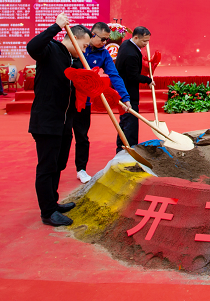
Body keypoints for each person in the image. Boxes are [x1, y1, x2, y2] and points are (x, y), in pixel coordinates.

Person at [27, 13, 91, 226]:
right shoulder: (50, 50)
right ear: (74, 38)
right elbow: (32, 47)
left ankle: (53, 202)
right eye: (83, 45)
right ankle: (47, 212)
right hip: (46, 122)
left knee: (59, 164)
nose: (85, 50)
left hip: (65, 123)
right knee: (47, 167)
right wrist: (56, 26)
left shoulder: (73, 60)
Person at [74, 22, 132, 183]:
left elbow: (114, 75)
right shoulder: (76, 48)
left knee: (82, 137)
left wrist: (125, 98)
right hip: (66, 100)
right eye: (103, 39)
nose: (105, 42)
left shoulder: (103, 53)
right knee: (62, 137)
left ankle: (81, 169)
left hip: (84, 102)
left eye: (107, 39)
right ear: (93, 34)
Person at [114, 26, 152, 151]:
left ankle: (121, 148)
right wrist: (148, 80)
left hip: (123, 89)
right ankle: (129, 151)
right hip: (128, 92)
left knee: (124, 121)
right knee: (130, 123)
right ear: (135, 37)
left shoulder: (126, 44)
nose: (146, 44)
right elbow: (133, 76)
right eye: (144, 41)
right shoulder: (131, 53)